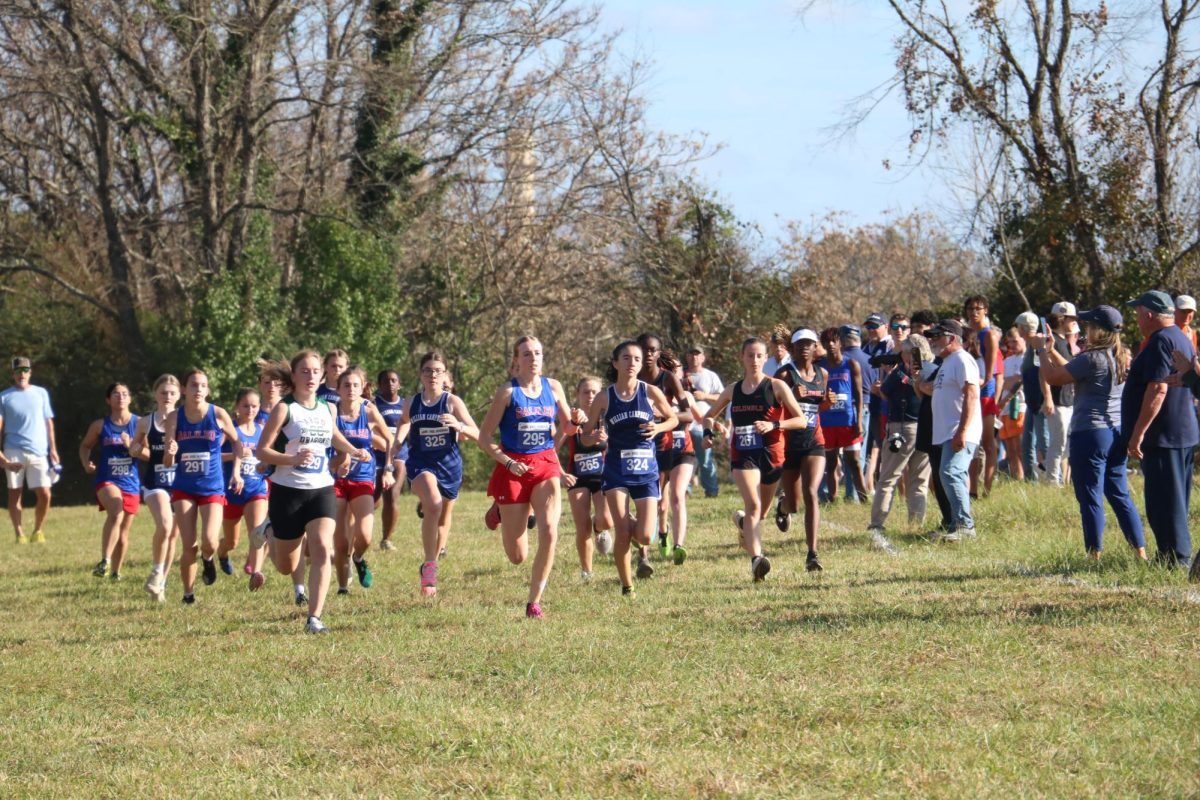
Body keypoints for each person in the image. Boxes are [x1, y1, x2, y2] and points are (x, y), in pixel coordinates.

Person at [255, 351, 374, 633]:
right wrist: (292, 459)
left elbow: (332, 435)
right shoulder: (285, 409)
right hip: (287, 492)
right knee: (286, 565)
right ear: (294, 376)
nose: (310, 376)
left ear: (322, 377)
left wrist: (354, 450)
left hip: (321, 488)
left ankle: (314, 618)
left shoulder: (326, 408)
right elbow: (262, 451)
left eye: (315, 372)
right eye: (304, 371)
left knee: (323, 548)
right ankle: (270, 532)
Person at [477, 335, 585, 619]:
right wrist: (508, 463)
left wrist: (576, 420)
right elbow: (484, 438)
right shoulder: (507, 392)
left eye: (537, 353)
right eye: (527, 354)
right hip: (514, 467)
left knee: (550, 530)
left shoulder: (554, 387)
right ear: (516, 360)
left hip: (545, 462)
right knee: (517, 557)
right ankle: (501, 507)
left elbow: (568, 428)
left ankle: (533, 602)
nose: (533, 358)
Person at [1033, 306, 1146, 561]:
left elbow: (1053, 377)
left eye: (1088, 325)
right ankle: (1140, 551)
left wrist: (1040, 350)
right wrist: (1052, 350)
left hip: (1089, 435)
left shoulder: (1091, 358)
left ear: (1098, 330)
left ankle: (1094, 554)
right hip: (1115, 432)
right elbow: (1073, 369)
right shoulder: (1119, 357)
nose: (1084, 329)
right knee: (1119, 494)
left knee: (1090, 496)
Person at [704, 337, 809, 582]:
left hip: (771, 454)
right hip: (743, 455)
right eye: (749, 355)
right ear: (742, 357)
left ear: (765, 358)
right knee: (753, 506)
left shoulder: (776, 387)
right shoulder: (733, 390)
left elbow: (801, 420)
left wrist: (774, 424)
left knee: (759, 514)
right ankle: (757, 562)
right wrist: (709, 432)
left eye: (759, 355)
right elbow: (709, 415)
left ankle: (743, 525)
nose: (754, 360)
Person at [580, 342, 677, 597]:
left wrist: (658, 428)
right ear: (615, 363)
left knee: (645, 537)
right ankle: (627, 586)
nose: (632, 363)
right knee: (622, 531)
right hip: (616, 471)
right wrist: (594, 436)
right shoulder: (605, 397)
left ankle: (630, 529)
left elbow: (673, 419)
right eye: (626, 358)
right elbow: (585, 436)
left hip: (646, 471)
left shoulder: (651, 392)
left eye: (636, 358)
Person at [1123, 291, 1197, 567]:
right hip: (1180, 432)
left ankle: (1177, 558)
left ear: (1149, 314)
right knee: (1171, 497)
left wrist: (1138, 432)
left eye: (1138, 312)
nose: (1137, 318)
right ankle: (1170, 553)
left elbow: (1157, 388)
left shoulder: (1160, 341)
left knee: (1165, 500)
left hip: (1166, 434)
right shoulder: (1179, 335)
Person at [393, 352, 476, 597]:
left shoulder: (452, 402)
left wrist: (458, 425)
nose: (432, 375)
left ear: (445, 375)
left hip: (449, 466)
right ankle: (429, 567)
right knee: (433, 504)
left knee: (442, 516)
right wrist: (398, 442)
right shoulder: (412, 402)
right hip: (420, 463)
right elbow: (404, 422)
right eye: (427, 370)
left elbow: (476, 432)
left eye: (437, 370)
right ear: (420, 374)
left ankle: (432, 563)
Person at [162, 369, 246, 603]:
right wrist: (170, 452)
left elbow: (238, 444)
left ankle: (208, 560)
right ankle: (188, 594)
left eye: (202, 386)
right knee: (189, 544)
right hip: (184, 487)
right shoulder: (174, 417)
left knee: (209, 540)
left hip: (212, 486)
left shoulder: (218, 414)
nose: (198, 390)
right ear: (183, 390)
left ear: (207, 390)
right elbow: (167, 461)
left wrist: (237, 473)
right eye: (193, 385)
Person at [331, 366, 394, 595]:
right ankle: (342, 587)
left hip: (363, 478)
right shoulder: (331, 411)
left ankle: (358, 558)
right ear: (337, 388)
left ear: (362, 388)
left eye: (356, 385)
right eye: (346, 385)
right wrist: (342, 456)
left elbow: (389, 439)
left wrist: (387, 468)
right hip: (335, 479)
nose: (351, 389)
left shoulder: (369, 411)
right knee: (339, 541)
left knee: (365, 536)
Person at [867, 334, 932, 549]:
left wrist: (884, 379)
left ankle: (877, 524)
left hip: (902, 427)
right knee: (919, 482)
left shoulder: (902, 372)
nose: (900, 355)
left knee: (888, 478)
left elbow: (884, 393)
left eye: (903, 351)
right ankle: (915, 525)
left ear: (910, 352)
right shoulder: (930, 369)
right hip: (925, 427)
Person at [773, 328, 828, 571]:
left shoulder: (822, 373)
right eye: (800, 344)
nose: (805, 347)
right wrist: (790, 398)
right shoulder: (784, 374)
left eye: (809, 343)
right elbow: (771, 407)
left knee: (812, 492)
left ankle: (812, 554)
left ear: (816, 347)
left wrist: (827, 402)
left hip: (814, 442)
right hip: (788, 444)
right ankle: (783, 506)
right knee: (794, 504)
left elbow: (819, 408)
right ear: (792, 348)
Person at [921, 319, 982, 541]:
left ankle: (965, 526)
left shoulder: (962, 359)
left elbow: (972, 394)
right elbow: (932, 391)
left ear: (952, 338)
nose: (933, 340)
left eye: (938, 336)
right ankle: (956, 524)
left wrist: (963, 431)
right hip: (947, 432)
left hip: (959, 430)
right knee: (947, 475)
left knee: (950, 473)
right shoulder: (946, 363)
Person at [79, 383, 141, 580]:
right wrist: (86, 463)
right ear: (108, 400)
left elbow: (148, 454)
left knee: (123, 534)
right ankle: (104, 561)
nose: (120, 397)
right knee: (116, 510)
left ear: (130, 398)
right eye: (115, 394)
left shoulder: (140, 424)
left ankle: (115, 572)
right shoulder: (100, 425)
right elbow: (85, 446)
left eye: (124, 394)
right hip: (107, 480)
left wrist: (132, 446)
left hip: (131, 482)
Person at [131, 374, 182, 601]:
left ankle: (160, 583)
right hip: (155, 483)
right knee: (164, 524)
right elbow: (137, 446)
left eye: (172, 393)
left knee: (172, 535)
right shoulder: (145, 422)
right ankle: (156, 570)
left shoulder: (185, 420)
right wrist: (134, 449)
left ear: (179, 395)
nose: (167, 397)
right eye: (163, 392)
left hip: (180, 484)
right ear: (155, 394)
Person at [558, 376, 613, 580]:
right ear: (577, 395)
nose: (590, 396)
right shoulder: (572, 420)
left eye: (594, 392)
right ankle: (587, 572)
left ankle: (600, 528)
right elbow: (551, 447)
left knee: (606, 519)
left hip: (603, 476)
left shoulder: (607, 417)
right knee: (582, 527)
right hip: (577, 477)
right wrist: (560, 473)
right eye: (585, 392)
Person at [0, 357, 59, 544]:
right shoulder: (4, 396)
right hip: (13, 450)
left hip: (39, 451)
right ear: (13, 374)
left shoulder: (41, 393)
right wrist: (2, 457)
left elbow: (48, 422)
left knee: (45, 493)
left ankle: (38, 530)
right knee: (15, 493)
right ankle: (19, 534)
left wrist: (53, 449)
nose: (21, 374)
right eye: (18, 371)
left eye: (25, 370)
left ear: (30, 372)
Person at [219, 389, 270, 587]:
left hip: (255, 489)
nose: (250, 410)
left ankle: (255, 574)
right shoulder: (230, 431)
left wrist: (264, 464)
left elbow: (267, 456)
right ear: (237, 408)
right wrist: (236, 455)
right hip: (231, 492)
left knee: (257, 533)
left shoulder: (262, 431)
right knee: (231, 542)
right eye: (245, 406)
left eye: (254, 406)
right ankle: (222, 554)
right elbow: (213, 455)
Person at [817, 328, 867, 503]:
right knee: (830, 463)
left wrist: (859, 421)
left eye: (834, 341)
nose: (830, 345)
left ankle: (864, 498)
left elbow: (859, 395)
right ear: (823, 345)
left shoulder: (851, 364)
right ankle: (833, 499)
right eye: (827, 342)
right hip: (827, 423)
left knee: (854, 462)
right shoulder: (819, 366)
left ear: (840, 343)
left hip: (848, 421)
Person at [964, 296, 1003, 496]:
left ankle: (987, 489)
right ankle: (972, 489)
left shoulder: (989, 335)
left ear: (985, 310)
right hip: (969, 393)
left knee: (988, 442)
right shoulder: (968, 335)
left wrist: (982, 388)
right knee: (972, 442)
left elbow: (991, 373)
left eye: (978, 308)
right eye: (971, 308)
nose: (974, 312)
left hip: (984, 395)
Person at [1044, 302, 1079, 485]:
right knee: (1057, 444)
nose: (1074, 322)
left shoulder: (1063, 341)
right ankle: (1051, 482)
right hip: (1057, 400)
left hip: (1067, 400)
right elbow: (1042, 370)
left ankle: (1061, 481)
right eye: (1071, 318)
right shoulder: (1052, 341)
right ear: (1062, 318)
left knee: (1065, 445)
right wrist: (1047, 397)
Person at [373, 369, 406, 551]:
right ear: (379, 385)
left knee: (392, 494)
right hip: (377, 452)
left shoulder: (405, 404)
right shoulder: (374, 404)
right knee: (374, 497)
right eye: (386, 381)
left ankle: (386, 539)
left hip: (400, 453)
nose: (390, 384)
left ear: (399, 384)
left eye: (394, 380)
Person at [685, 346, 723, 498]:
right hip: (685, 425)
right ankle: (685, 490)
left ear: (703, 358)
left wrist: (704, 396)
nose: (694, 357)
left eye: (697, 354)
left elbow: (722, 397)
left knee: (705, 459)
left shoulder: (710, 376)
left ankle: (711, 491)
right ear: (687, 357)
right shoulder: (681, 375)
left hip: (702, 425)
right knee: (685, 459)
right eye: (691, 354)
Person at [861, 313, 893, 493]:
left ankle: (885, 485)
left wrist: (884, 387)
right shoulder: (866, 347)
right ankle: (869, 484)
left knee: (884, 446)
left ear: (885, 326)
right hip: (869, 403)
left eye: (875, 326)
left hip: (884, 402)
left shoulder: (889, 345)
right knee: (870, 446)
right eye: (869, 327)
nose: (871, 330)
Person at [995, 329, 1027, 481]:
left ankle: (1026, 478)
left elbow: (1019, 381)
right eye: (1009, 342)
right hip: (1004, 410)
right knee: (1010, 450)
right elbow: (1001, 382)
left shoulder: (1027, 358)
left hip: (1018, 406)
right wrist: (1009, 381)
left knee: (1019, 448)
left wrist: (1008, 382)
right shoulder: (1006, 361)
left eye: (1015, 341)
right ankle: (1016, 479)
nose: (1012, 345)